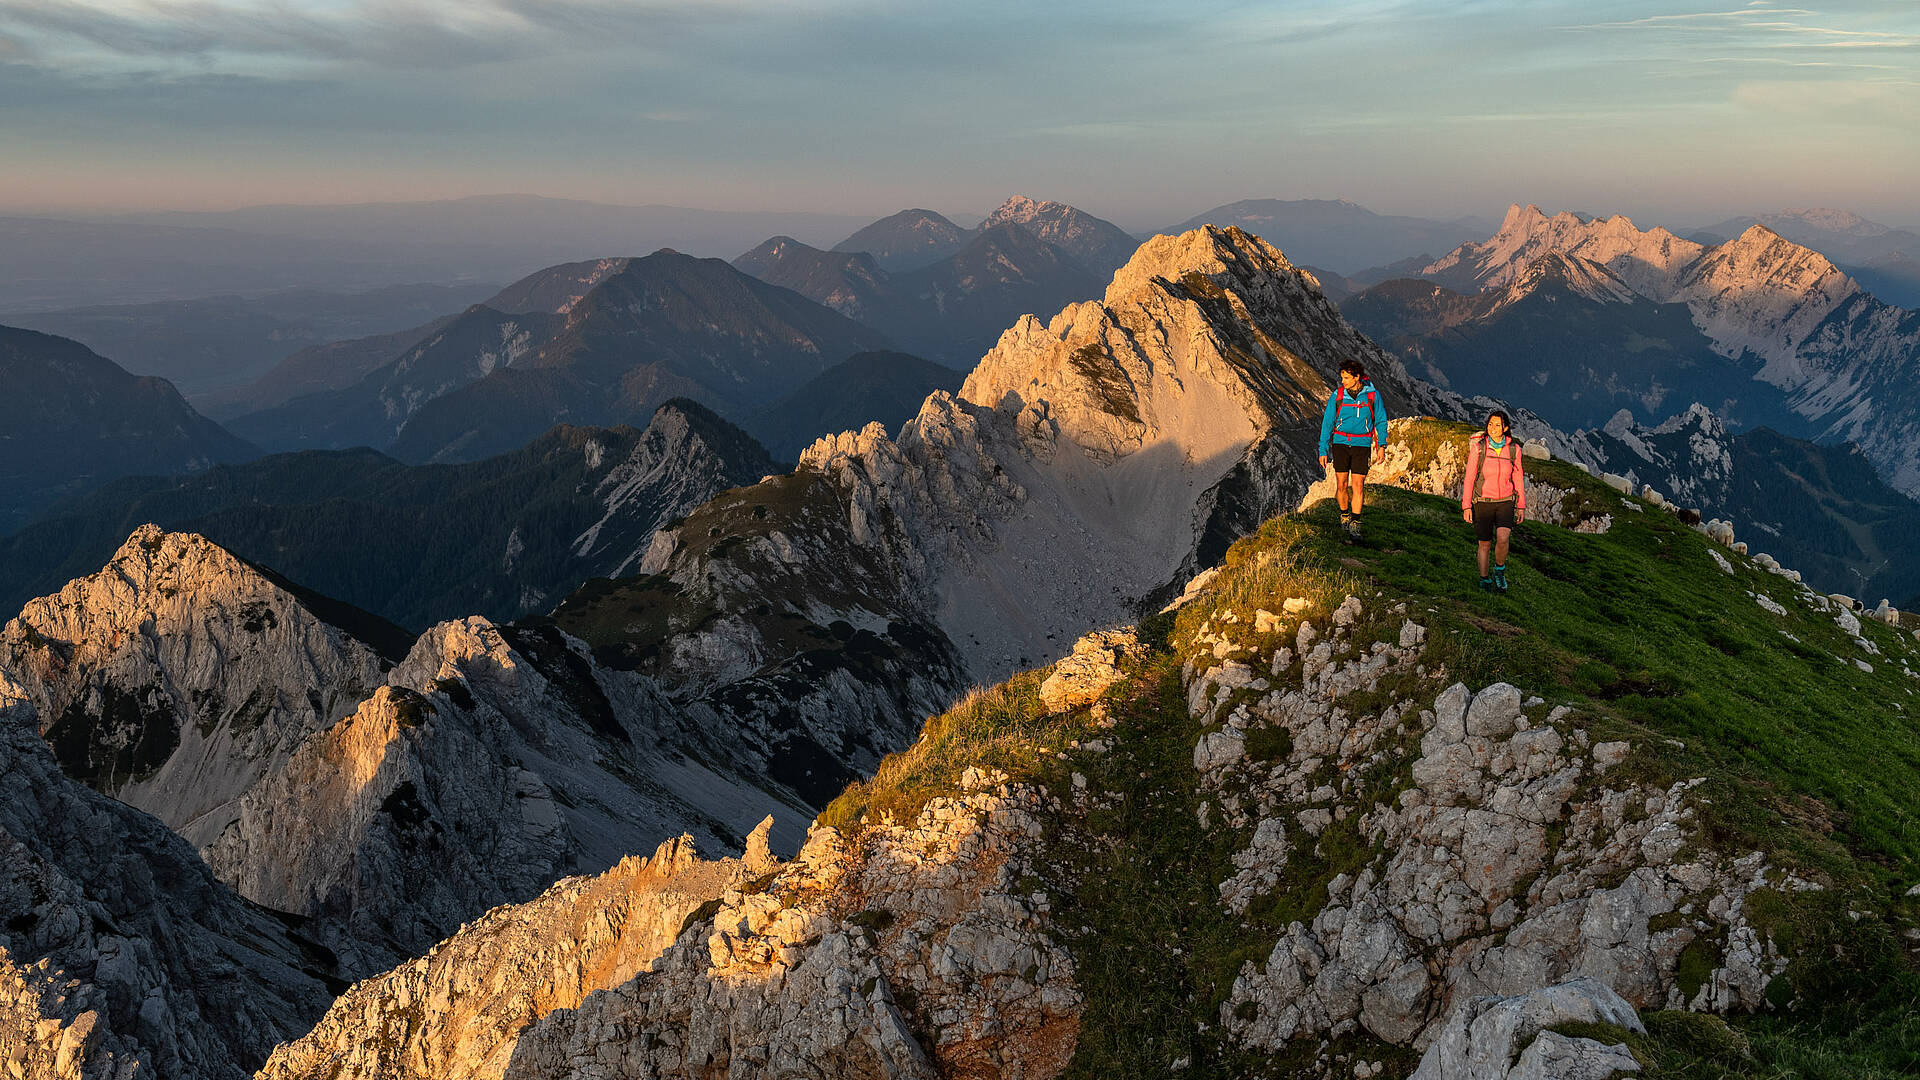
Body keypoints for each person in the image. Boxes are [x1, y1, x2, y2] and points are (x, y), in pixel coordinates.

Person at [1317, 359, 1388, 539]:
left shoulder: (1372, 395)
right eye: (1342, 377)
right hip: (1340, 444)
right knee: (1341, 484)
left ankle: (1355, 523)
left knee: (1358, 485)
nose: (1343, 381)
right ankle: (1344, 515)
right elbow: (1327, 423)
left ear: (1357, 377)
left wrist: (1382, 445)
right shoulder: (1338, 395)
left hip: (1362, 444)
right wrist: (1323, 449)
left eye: (1347, 378)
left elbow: (1380, 420)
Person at [1461, 409, 1526, 592]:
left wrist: (1520, 506)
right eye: (1490, 424)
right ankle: (1484, 579)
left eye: (1497, 425)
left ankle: (1499, 570)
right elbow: (1470, 477)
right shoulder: (1479, 448)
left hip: (1506, 500)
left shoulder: (1514, 449)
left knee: (1503, 538)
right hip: (1482, 501)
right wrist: (1467, 506)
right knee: (1485, 543)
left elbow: (1519, 478)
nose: (1493, 428)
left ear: (1505, 428)